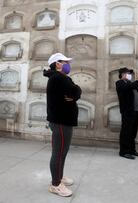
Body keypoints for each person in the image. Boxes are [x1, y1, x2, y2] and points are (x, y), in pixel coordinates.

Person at [43, 53, 81, 197]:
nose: (68, 64)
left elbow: (75, 92)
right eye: (65, 62)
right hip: (61, 121)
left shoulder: (59, 77)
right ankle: (55, 184)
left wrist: (75, 92)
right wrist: (76, 91)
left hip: (63, 121)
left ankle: (59, 176)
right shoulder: (59, 77)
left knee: (62, 152)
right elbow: (75, 91)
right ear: (57, 64)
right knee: (58, 153)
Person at [115, 67, 138, 160]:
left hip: (135, 110)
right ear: (122, 74)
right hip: (127, 111)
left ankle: (132, 150)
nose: (129, 75)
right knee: (126, 132)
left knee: (133, 132)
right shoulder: (120, 83)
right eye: (127, 73)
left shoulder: (130, 83)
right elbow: (129, 87)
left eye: (129, 73)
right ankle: (124, 152)